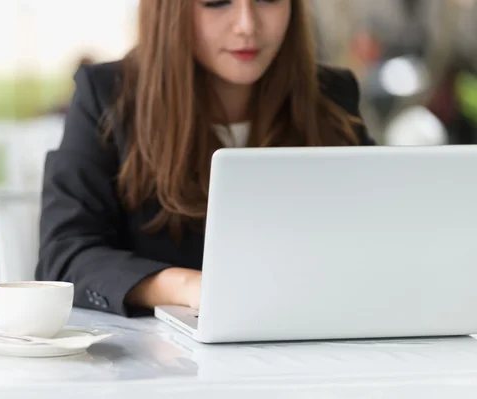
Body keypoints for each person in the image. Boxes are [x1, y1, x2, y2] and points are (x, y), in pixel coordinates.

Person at [36, 0, 376, 317]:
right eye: (216, 1)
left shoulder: (332, 97)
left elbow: (381, 233)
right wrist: (187, 286)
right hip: (159, 365)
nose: (247, 25)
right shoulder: (109, 96)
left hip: (314, 341)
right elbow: (64, 257)